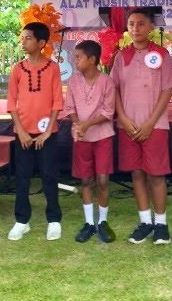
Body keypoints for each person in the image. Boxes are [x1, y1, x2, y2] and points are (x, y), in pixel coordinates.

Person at [111, 9, 172, 245]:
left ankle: (161, 224)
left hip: (155, 126)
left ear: (151, 28)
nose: (135, 28)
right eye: (131, 24)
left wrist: (150, 122)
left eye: (141, 24)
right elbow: (114, 89)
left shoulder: (162, 55)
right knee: (136, 174)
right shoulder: (122, 57)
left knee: (156, 175)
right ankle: (145, 222)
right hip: (128, 126)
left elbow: (168, 89)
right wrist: (124, 119)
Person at [6, 22, 64, 241]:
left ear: (41, 43)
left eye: (28, 38)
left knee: (49, 175)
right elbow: (12, 102)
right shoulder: (17, 69)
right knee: (22, 177)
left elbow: (57, 102)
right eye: (22, 37)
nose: (23, 41)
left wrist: (47, 132)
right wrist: (20, 131)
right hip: (23, 133)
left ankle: (54, 220)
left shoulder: (53, 68)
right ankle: (22, 221)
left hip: (47, 134)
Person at [62, 40, 116, 243]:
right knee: (85, 180)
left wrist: (87, 124)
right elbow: (69, 108)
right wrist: (78, 124)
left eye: (78, 57)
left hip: (102, 136)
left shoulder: (107, 82)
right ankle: (89, 223)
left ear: (92, 59)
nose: (75, 60)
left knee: (102, 180)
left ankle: (102, 221)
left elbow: (108, 112)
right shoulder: (74, 81)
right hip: (81, 137)